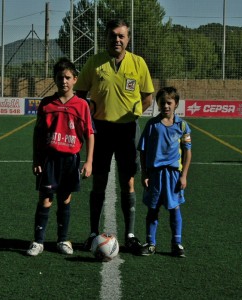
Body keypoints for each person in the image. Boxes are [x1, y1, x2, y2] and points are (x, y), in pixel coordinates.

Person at [75, 19, 154, 253]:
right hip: (100, 130)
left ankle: (129, 234)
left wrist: (134, 113)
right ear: (106, 37)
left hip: (127, 129)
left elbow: (148, 96)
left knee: (128, 181)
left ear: (128, 39)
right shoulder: (95, 62)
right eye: (113, 35)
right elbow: (80, 94)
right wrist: (89, 110)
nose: (117, 39)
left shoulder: (138, 63)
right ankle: (92, 233)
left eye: (121, 36)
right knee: (99, 180)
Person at [26, 57, 94, 256]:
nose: (63, 81)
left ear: (75, 79)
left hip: (70, 161)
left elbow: (89, 133)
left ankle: (63, 240)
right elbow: (38, 134)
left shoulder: (82, 105)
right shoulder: (47, 104)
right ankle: (38, 241)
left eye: (67, 77)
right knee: (45, 199)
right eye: (59, 77)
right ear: (54, 79)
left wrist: (89, 161)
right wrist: (36, 159)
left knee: (65, 199)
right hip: (49, 160)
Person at [137, 86, 192, 257]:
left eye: (169, 103)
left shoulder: (182, 126)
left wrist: (184, 176)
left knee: (175, 209)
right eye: (162, 103)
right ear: (158, 104)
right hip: (155, 174)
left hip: (174, 175)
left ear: (176, 104)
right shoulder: (152, 125)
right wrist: (144, 173)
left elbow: (187, 152)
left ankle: (177, 243)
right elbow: (143, 151)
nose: (166, 106)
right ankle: (151, 243)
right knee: (153, 210)